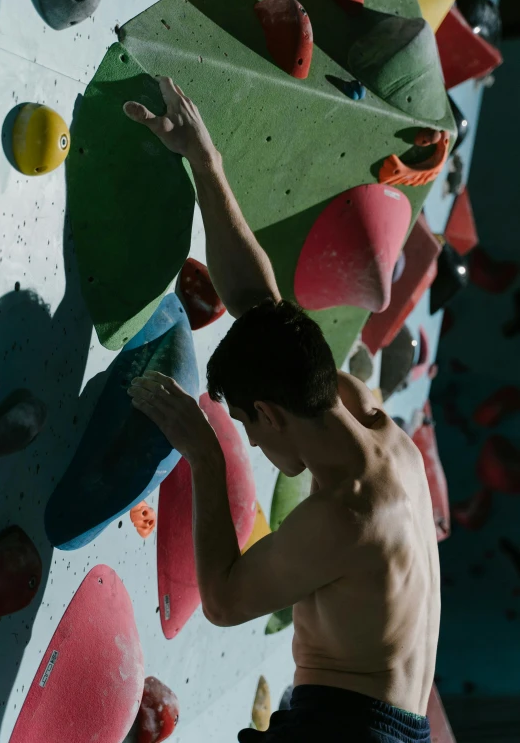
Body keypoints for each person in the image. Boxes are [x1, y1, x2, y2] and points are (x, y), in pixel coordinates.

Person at [123, 78, 440, 743]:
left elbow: (225, 600)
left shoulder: (346, 518)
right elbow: (262, 308)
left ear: (269, 412)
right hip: (373, 719)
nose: (253, 443)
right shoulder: (366, 416)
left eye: (245, 424)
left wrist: (207, 457)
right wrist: (205, 162)